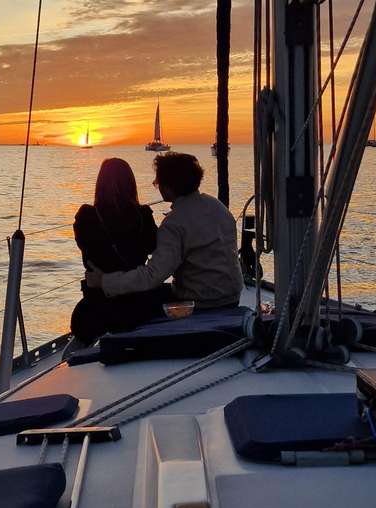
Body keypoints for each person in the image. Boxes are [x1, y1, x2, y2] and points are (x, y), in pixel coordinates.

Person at [85, 152, 243, 309]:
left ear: (168, 188)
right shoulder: (217, 206)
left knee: (138, 300)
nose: (157, 186)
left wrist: (104, 281)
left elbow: (153, 275)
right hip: (231, 296)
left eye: (157, 182)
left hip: (200, 301)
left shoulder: (174, 224)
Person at [65, 158, 164, 359]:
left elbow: (83, 245)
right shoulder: (143, 216)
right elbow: (154, 246)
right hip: (137, 305)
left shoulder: (86, 217)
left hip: (97, 307)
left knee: (74, 348)